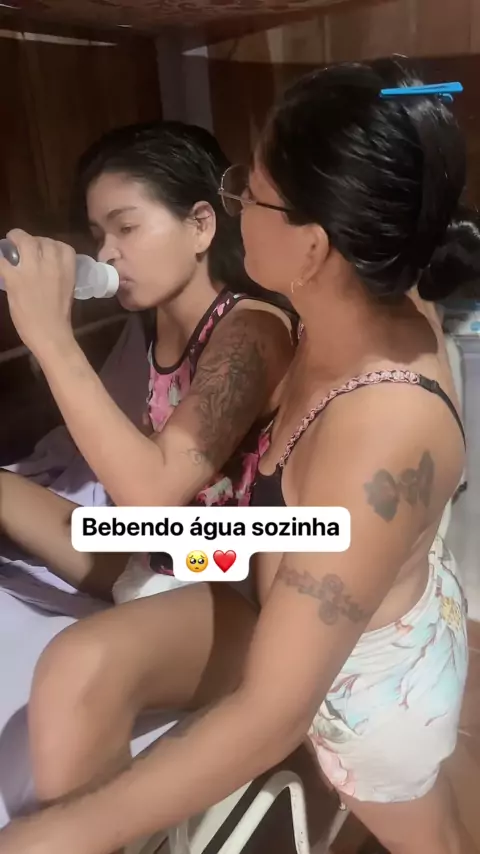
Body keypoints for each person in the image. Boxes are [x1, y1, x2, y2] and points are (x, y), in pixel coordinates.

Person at [0, 59, 477, 854]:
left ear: (313, 246)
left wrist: (43, 839)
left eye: (248, 192)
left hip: (372, 702)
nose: (232, 208)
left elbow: (271, 713)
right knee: (86, 606)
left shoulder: (380, 423)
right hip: (290, 554)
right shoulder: (359, 294)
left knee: (435, 835)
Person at [0, 121, 295, 601]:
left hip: (229, 570)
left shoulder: (253, 330)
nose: (106, 253)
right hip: (167, 547)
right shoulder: (157, 323)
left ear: (200, 225)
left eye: (127, 228)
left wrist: (52, 338)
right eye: (99, 234)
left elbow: (152, 496)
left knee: (79, 649)